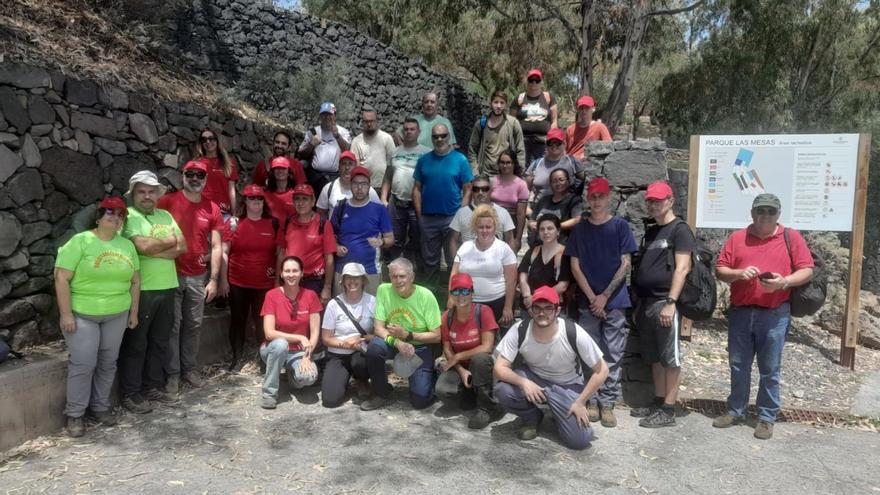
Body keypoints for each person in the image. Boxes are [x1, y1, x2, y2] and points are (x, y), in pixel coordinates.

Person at [713, 193, 814, 440]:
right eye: (761, 211)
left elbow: (807, 270)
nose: (765, 216)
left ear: (778, 214)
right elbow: (720, 270)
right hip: (741, 312)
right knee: (738, 366)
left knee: (770, 368)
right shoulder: (737, 238)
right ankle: (736, 410)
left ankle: (767, 417)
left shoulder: (791, 237)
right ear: (752, 213)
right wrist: (738, 273)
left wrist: (784, 282)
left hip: (774, 313)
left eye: (770, 211)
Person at [54, 196, 140, 437]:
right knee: (83, 363)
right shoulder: (80, 241)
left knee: (107, 362)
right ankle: (75, 414)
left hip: (117, 313)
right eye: (110, 212)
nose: (115, 217)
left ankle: (100, 408)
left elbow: (135, 281)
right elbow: (61, 278)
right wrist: (66, 314)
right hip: (83, 314)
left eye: (120, 214)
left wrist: (133, 312)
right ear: (99, 215)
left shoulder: (126, 245)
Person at [493, 286, 608, 450]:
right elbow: (499, 368)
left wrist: (581, 402)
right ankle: (532, 417)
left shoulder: (573, 332)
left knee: (580, 440)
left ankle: (559, 413)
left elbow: (602, 370)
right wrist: (524, 383)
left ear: (557, 310)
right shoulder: (520, 329)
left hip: (566, 385)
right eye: (537, 308)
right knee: (503, 390)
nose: (542, 313)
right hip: (534, 378)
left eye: (548, 308)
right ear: (531, 310)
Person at [565, 177, 637, 428]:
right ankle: (591, 399)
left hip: (615, 301)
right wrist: (593, 297)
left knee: (613, 353)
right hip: (588, 302)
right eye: (592, 197)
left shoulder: (620, 227)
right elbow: (574, 265)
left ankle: (608, 402)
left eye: (600, 197)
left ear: (609, 198)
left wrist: (604, 296)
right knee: (589, 352)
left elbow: (625, 262)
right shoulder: (580, 229)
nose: (596, 201)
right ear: (588, 198)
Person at [118, 171, 186, 415]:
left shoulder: (165, 215)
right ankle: (130, 392)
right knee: (136, 343)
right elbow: (141, 246)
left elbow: (183, 246)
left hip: (167, 286)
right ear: (133, 194)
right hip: (142, 290)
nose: (147, 196)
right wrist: (167, 241)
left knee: (158, 342)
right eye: (141, 191)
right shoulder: (130, 216)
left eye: (151, 191)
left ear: (158, 194)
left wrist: (152, 251)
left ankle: (151, 386)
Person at [630, 181, 693, 428]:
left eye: (658, 200)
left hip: (664, 301)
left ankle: (669, 408)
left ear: (670, 200)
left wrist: (671, 302)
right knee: (654, 357)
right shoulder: (653, 231)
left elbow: (683, 268)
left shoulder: (680, 230)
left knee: (670, 358)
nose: (653, 205)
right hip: (646, 303)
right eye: (650, 201)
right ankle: (658, 401)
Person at [157, 158, 224, 392]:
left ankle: (189, 369)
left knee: (194, 325)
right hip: (170, 274)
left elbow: (216, 247)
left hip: (198, 276)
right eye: (190, 174)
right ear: (183, 176)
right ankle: (172, 375)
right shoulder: (166, 202)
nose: (195, 179)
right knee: (173, 326)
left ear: (205, 179)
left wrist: (214, 280)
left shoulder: (212, 208)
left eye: (200, 175)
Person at [362, 258, 441, 411]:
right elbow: (378, 328)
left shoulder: (426, 296)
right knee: (374, 348)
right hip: (394, 343)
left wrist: (408, 335)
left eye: (402, 276)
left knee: (420, 401)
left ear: (412, 277)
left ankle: (434, 375)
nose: (398, 281)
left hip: (419, 347)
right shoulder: (384, 290)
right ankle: (382, 393)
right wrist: (398, 342)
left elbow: (437, 336)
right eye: (394, 276)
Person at [436, 273, 504, 429]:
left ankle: (488, 408)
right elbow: (447, 348)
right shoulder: (447, 317)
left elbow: (487, 347)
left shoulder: (484, 311)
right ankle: (471, 394)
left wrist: (458, 356)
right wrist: (460, 370)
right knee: (442, 390)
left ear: (472, 292)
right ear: (451, 294)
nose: (461, 296)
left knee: (480, 359)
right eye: (456, 291)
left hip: (483, 365)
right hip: (461, 366)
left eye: (465, 291)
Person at [221, 184, 277, 371]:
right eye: (252, 199)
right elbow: (224, 252)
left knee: (262, 323)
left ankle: (263, 360)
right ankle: (237, 358)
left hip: (264, 283)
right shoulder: (234, 223)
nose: (256, 202)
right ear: (245, 201)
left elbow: (280, 253)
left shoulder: (273, 223)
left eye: (259, 199)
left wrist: (277, 281)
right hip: (238, 282)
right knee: (238, 320)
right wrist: (222, 280)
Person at [259, 256, 321, 409]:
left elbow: (314, 333)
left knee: (308, 378)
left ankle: (290, 376)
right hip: (273, 349)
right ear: (281, 274)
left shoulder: (311, 296)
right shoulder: (272, 295)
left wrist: (308, 356)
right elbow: (269, 333)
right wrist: (299, 337)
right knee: (281, 344)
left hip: (299, 352)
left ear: (301, 273)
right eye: (287, 271)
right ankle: (269, 393)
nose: (291, 274)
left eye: (295, 271)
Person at [413, 123, 474, 280]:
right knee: (429, 260)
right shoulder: (423, 160)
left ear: (449, 137)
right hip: (428, 218)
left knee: (453, 258)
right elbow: (417, 189)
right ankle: (431, 293)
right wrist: (420, 216)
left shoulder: (460, 160)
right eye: (436, 136)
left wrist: (461, 214)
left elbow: (468, 188)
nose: (439, 139)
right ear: (432, 138)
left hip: (452, 218)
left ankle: (452, 292)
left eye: (443, 136)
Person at [450, 204, 517, 328]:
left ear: (495, 227)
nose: (485, 230)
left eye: (488, 227)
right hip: (468, 302)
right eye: (481, 227)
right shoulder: (465, 247)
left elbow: (511, 281)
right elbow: (454, 275)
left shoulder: (504, 249)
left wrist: (508, 307)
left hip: (497, 303)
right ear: (475, 227)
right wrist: (451, 298)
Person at [329, 166, 393, 295]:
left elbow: (390, 239)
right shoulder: (340, 207)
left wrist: (381, 242)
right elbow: (330, 236)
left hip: (370, 270)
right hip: (343, 270)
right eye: (356, 183)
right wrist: (335, 246)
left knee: (371, 311)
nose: (359, 188)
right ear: (350, 185)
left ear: (369, 186)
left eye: (363, 184)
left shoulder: (379, 209)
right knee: (341, 311)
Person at [320, 262, 376, 408]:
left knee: (359, 362)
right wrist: (346, 343)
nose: (352, 281)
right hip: (338, 354)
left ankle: (362, 380)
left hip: (361, 352)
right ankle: (343, 378)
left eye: (356, 277)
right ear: (343, 281)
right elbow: (326, 339)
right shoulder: (334, 304)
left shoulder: (372, 301)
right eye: (348, 278)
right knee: (330, 400)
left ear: (363, 280)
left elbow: (379, 333)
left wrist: (360, 340)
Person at [381, 117, 430, 262]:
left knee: (417, 237)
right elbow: (388, 176)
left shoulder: (427, 153)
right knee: (394, 239)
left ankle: (412, 268)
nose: (409, 132)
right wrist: (383, 198)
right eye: (406, 129)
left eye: (412, 129)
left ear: (418, 132)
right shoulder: (394, 152)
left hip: (416, 204)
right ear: (402, 131)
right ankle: (393, 268)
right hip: (396, 202)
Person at [276, 184, 336, 305]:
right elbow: (281, 253)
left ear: (313, 201)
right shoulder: (288, 222)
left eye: (305, 199)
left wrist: (327, 287)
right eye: (297, 199)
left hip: (314, 282)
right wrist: (277, 282)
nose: (300, 203)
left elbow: (329, 258)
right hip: (290, 279)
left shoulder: (323, 223)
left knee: (312, 321)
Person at [448, 175, 516, 256]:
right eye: (476, 189)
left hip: (495, 263)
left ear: (491, 190)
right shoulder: (461, 213)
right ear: (472, 192)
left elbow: (510, 240)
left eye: (484, 189)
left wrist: (511, 264)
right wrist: (456, 264)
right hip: (468, 263)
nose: (480, 192)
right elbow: (453, 241)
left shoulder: (503, 212)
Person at [518, 214, 571, 317]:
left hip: (552, 309)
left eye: (550, 228)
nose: (546, 232)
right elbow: (523, 278)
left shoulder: (565, 254)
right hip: (528, 307)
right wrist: (527, 298)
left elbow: (563, 286)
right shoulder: (533, 251)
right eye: (542, 229)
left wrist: (536, 299)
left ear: (558, 231)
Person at [466, 90, 525, 176]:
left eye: (502, 103)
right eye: (496, 102)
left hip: (506, 175)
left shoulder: (513, 124)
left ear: (506, 105)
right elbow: (472, 150)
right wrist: (475, 173)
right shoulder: (481, 124)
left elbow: (520, 149)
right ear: (490, 103)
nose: (498, 106)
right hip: (485, 175)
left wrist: (519, 171)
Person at [298, 101, 351, 194]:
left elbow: (348, 151)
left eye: (329, 114)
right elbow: (301, 154)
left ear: (335, 116)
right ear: (320, 116)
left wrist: (337, 136)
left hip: (335, 178)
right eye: (323, 115)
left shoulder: (343, 132)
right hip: (315, 178)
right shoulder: (312, 132)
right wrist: (311, 144)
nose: (326, 118)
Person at [510, 69, 558, 164]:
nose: (534, 83)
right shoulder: (519, 98)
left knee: (542, 167)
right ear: (527, 81)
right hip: (523, 141)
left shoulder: (548, 97)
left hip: (543, 141)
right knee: (522, 168)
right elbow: (511, 122)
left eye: (537, 80)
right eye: (531, 80)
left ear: (541, 82)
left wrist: (551, 139)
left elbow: (554, 121)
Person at [527, 168, 584, 247]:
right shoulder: (543, 200)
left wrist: (556, 227)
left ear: (568, 181)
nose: (558, 183)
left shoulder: (574, 200)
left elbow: (578, 219)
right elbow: (531, 220)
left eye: (561, 180)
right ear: (550, 184)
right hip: (538, 246)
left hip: (561, 248)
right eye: (554, 181)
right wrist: (531, 224)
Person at [524, 128, 583, 201]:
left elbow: (587, 181)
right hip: (540, 208)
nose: (554, 146)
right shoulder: (536, 164)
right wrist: (527, 208)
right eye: (550, 143)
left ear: (564, 144)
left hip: (566, 208)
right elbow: (525, 190)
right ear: (546, 145)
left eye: (558, 143)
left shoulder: (572, 162)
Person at [316, 151, 380, 217]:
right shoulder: (328, 188)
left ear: (355, 166)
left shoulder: (367, 190)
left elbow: (379, 212)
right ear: (339, 167)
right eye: (344, 164)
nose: (347, 167)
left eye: (350, 164)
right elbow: (320, 214)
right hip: (334, 226)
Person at [490, 150, 529, 254]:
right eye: (502, 162)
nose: (505, 165)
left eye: (508, 162)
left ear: (514, 164)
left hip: (511, 224)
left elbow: (521, 214)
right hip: (492, 222)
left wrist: (518, 239)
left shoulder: (521, 184)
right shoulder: (492, 181)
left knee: (508, 258)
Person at [195, 128, 239, 216]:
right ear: (201, 143)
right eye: (204, 139)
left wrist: (234, 215)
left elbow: (232, 190)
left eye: (211, 138)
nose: (208, 142)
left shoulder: (229, 162)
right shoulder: (197, 163)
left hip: (223, 212)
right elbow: (195, 189)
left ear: (217, 140)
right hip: (204, 211)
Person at [350, 109, 396, 191]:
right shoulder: (356, 141)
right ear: (362, 122)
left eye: (371, 121)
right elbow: (354, 166)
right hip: (363, 187)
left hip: (383, 186)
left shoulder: (386, 138)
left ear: (377, 121)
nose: (369, 124)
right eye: (366, 121)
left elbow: (392, 163)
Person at [564, 96, 612, 162]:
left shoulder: (600, 127)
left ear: (593, 109)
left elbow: (609, 147)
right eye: (581, 108)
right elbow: (563, 150)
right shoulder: (570, 129)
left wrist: (590, 155)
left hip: (591, 164)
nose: (584, 111)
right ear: (578, 110)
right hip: (570, 163)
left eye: (587, 108)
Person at [264, 156, 301, 222]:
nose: (280, 171)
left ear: (289, 172)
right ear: (273, 172)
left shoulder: (296, 195)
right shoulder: (265, 195)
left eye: (283, 168)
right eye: (277, 168)